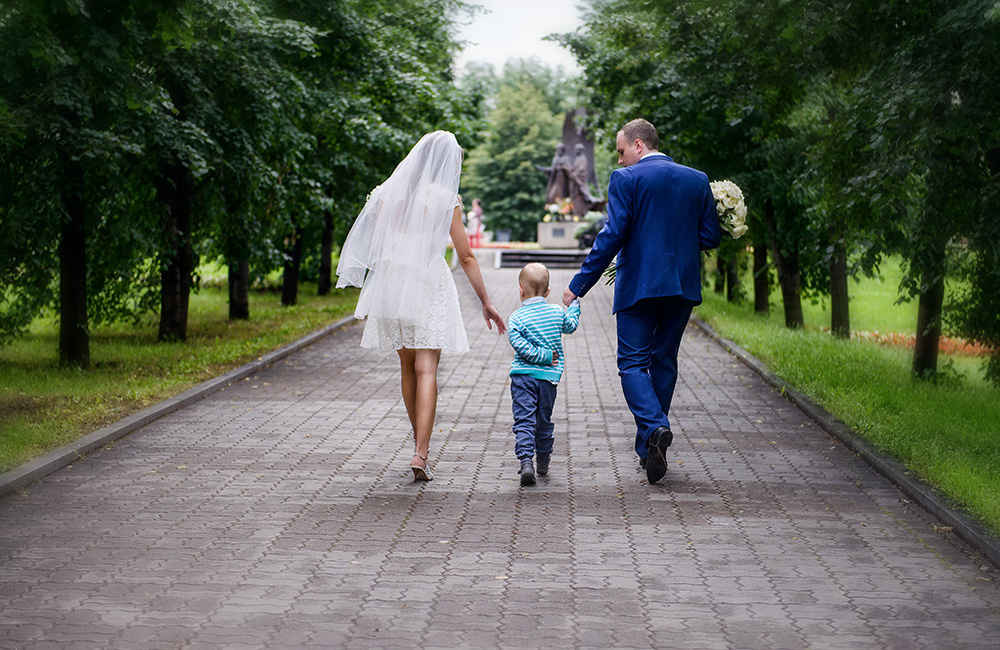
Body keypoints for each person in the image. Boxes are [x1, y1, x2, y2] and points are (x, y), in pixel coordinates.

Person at [336, 131, 506, 481]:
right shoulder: (446, 198)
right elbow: (467, 255)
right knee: (427, 368)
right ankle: (421, 452)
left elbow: (376, 240)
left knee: (407, 366)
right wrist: (486, 301)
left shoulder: (388, 192)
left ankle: (418, 444)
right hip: (427, 278)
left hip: (393, 278)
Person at [562, 119, 722, 484]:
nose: (619, 161)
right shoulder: (697, 179)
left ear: (638, 145)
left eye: (620, 152)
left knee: (633, 364)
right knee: (663, 361)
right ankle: (650, 448)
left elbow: (612, 235)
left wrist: (579, 285)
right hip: (682, 287)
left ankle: (655, 427)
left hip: (640, 287)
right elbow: (711, 235)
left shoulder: (627, 180)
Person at [507, 263, 581, 486]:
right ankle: (544, 461)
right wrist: (574, 305)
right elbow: (571, 325)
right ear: (548, 292)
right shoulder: (557, 312)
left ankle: (526, 461)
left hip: (522, 378)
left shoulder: (516, 318)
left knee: (524, 420)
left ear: (520, 290)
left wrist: (541, 355)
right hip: (549, 380)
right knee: (543, 420)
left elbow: (518, 345)